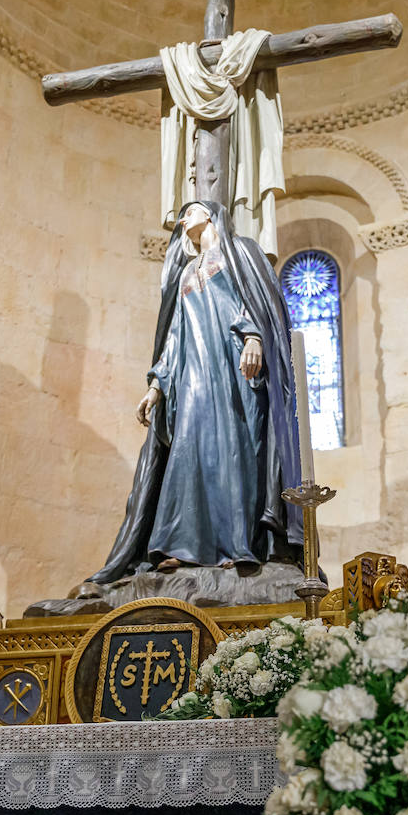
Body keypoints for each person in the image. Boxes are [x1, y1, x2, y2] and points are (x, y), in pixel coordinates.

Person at [84, 200, 303, 586]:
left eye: (193, 209)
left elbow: (257, 301)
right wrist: (157, 385)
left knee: (233, 450)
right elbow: (175, 333)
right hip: (193, 375)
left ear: (213, 215)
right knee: (187, 450)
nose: (184, 217)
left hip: (235, 367)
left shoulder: (240, 252)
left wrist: (254, 337)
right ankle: (180, 545)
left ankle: (236, 544)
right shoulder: (186, 271)